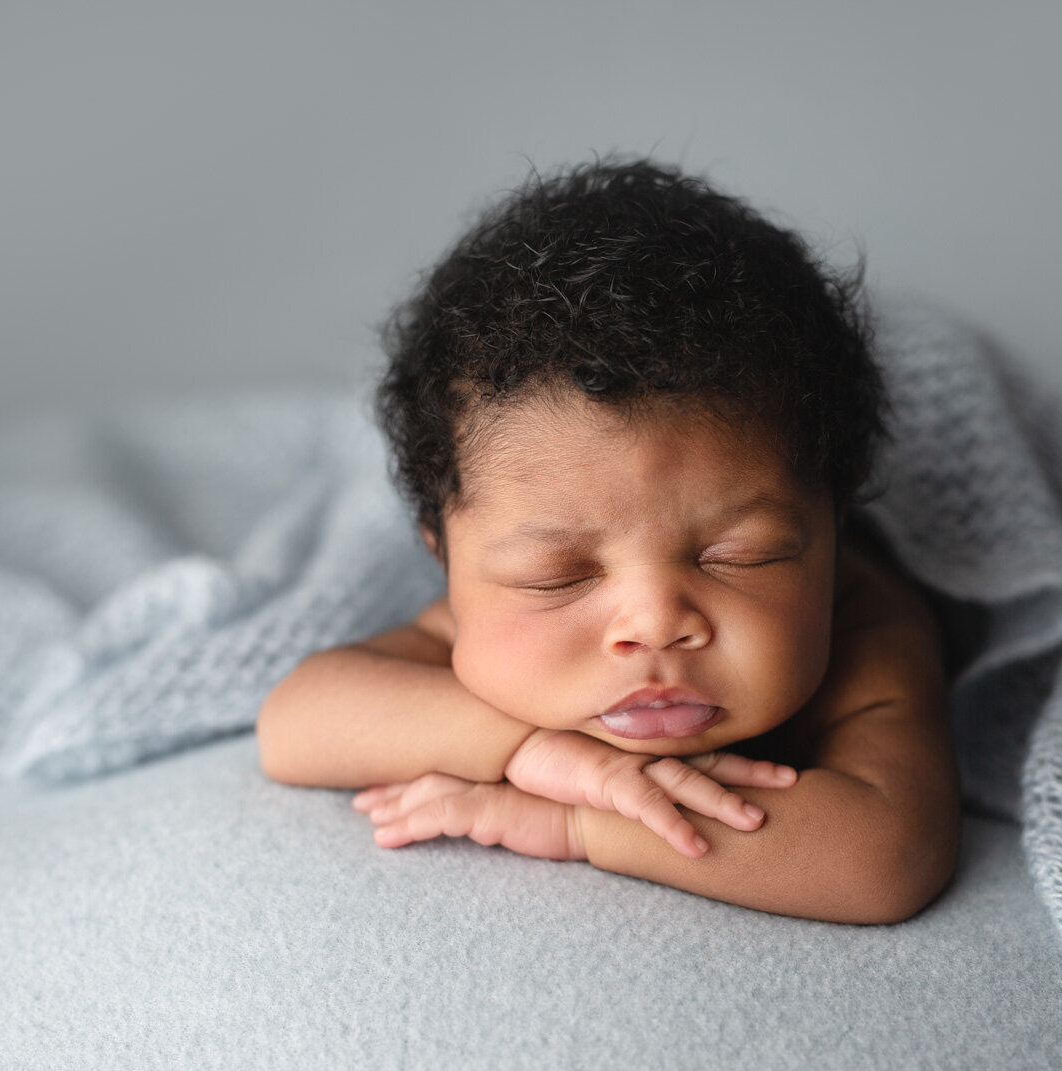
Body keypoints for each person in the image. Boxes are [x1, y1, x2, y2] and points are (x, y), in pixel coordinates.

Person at [256, 159, 959, 924]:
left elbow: (885, 858)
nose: (656, 622)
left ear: (831, 533)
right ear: (445, 562)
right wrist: (532, 751)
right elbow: (294, 722)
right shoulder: (483, 619)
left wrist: (576, 821)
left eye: (740, 555)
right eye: (557, 576)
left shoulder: (866, 626)